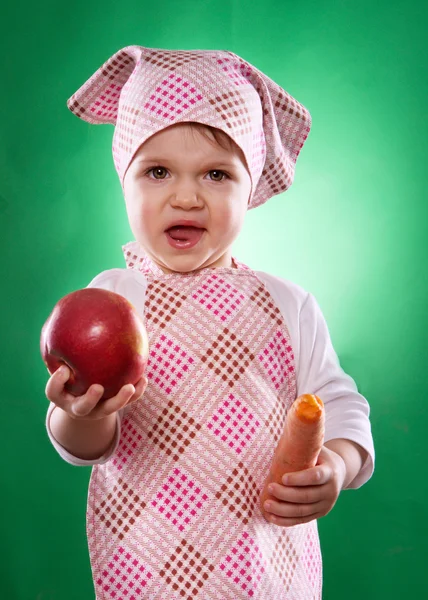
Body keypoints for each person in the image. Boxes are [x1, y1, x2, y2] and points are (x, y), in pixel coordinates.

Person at [45, 45, 375, 600]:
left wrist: (337, 467)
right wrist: (79, 415)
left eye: (217, 174)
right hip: (147, 568)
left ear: (251, 192)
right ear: (124, 182)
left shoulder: (287, 304)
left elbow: (342, 404)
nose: (187, 195)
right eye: (157, 171)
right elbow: (82, 445)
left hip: (268, 571)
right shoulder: (113, 297)